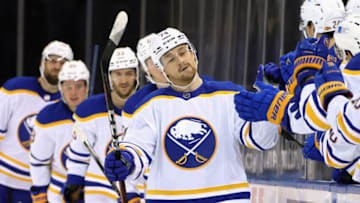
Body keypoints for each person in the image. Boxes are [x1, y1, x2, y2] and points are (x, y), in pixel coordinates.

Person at [104, 27, 279, 202]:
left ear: (193, 54)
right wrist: (126, 160)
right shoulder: (150, 107)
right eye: (170, 58)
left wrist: (269, 106)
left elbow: (261, 140)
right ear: (161, 69)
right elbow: (138, 147)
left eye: (182, 52)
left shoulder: (229, 95)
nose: (180, 61)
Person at [62, 47, 140, 203]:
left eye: (128, 73)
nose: (123, 80)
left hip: (138, 189)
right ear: (110, 77)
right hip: (98, 188)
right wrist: (74, 181)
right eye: (118, 74)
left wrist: (133, 192)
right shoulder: (89, 109)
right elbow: (79, 151)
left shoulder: (148, 106)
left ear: (136, 75)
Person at [0, 40, 73, 202]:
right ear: (42, 62)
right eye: (52, 60)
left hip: (35, 189)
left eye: (63, 62)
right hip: (2, 181)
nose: (57, 66)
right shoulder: (14, 89)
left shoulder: (70, 107)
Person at [29, 60, 90, 202]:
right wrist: (40, 193)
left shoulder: (98, 113)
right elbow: (39, 161)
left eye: (78, 86)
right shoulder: (48, 116)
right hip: (57, 194)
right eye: (68, 87)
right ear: (61, 88)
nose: (73, 92)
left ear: (87, 87)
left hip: (93, 192)